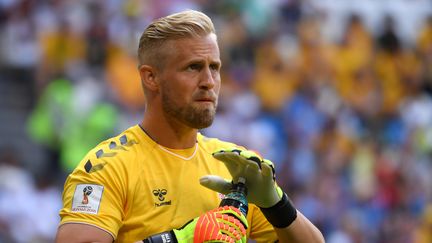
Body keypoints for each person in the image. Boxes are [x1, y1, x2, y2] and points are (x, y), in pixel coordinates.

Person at [55, 10, 324, 243]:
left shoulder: (232, 165)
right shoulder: (107, 167)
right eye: (193, 67)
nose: (209, 81)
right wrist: (178, 238)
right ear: (151, 77)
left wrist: (275, 203)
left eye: (215, 68)